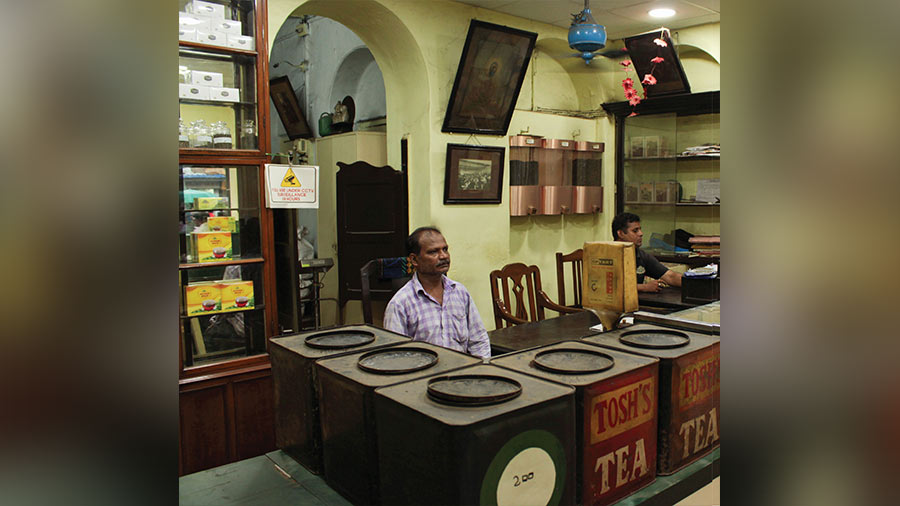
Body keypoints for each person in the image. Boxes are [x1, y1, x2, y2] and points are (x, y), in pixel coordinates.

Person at [384, 226, 491, 359]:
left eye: (445, 249)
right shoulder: (400, 303)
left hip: (462, 373)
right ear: (414, 260)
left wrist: (483, 368)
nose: (443, 256)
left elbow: (478, 340)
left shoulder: (460, 292)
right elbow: (396, 356)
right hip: (423, 376)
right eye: (433, 252)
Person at [611, 212, 683, 293]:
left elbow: (670, 277)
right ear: (620, 233)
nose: (641, 234)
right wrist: (643, 287)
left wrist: (693, 283)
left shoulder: (641, 255)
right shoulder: (607, 254)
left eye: (640, 229)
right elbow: (607, 286)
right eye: (635, 231)